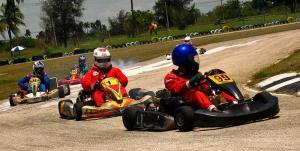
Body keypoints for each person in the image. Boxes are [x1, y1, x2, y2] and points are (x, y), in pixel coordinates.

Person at [164, 44, 219, 112]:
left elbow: (205, 87)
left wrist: (208, 82)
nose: (195, 62)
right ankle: (214, 110)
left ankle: (233, 103)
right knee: (197, 93)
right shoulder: (171, 76)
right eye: (193, 59)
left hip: (202, 100)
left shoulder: (195, 73)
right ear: (185, 61)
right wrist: (190, 82)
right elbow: (176, 89)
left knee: (218, 89)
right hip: (186, 102)